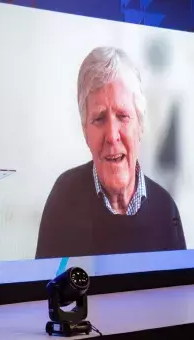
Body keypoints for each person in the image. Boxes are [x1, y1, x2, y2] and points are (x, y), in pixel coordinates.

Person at [35, 47, 186, 259]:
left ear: (140, 125)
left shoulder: (166, 209)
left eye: (123, 116)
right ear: (85, 130)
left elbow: (180, 290)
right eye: (99, 118)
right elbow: (45, 289)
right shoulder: (64, 199)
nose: (112, 136)